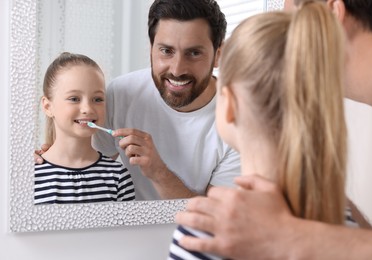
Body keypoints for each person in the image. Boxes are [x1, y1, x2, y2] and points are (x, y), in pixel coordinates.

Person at [175, 0, 372, 259]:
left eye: (297, 18)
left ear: (230, 105)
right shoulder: (343, 225)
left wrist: (290, 236)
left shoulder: (211, 228)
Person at [35, 0, 240, 201]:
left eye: (194, 53)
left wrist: (159, 173)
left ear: (218, 55)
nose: (177, 69)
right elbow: (86, 161)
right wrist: (48, 160)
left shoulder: (242, 121)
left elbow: (216, 221)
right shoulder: (120, 93)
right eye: (166, 51)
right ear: (151, 48)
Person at [35, 52, 135, 205]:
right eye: (74, 99)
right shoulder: (28, 176)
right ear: (48, 106)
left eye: (97, 99)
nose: (87, 108)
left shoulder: (118, 176)